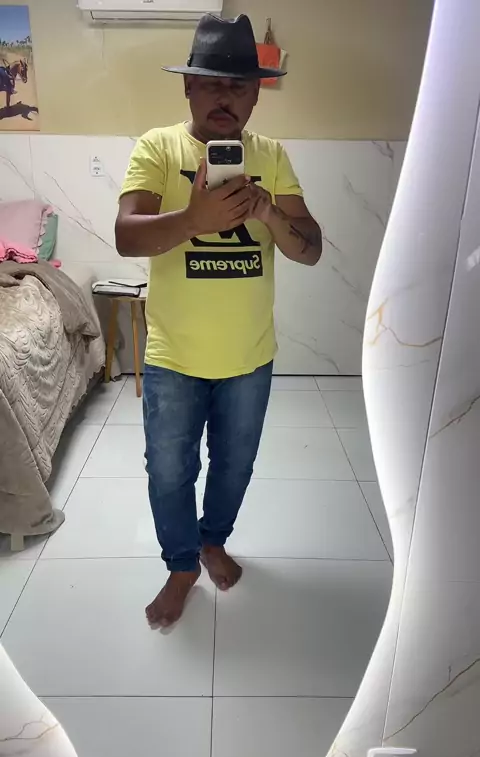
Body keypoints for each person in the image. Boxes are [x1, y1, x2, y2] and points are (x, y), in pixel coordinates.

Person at [116, 13, 322, 628]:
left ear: (256, 94)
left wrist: (269, 214)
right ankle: (182, 566)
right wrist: (194, 220)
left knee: (235, 465)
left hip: (249, 356)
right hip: (173, 355)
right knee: (169, 470)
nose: (225, 97)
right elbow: (127, 236)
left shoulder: (272, 156)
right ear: (188, 88)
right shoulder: (158, 147)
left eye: (239, 86)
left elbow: (310, 249)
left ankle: (213, 540)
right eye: (211, 83)